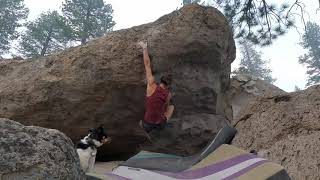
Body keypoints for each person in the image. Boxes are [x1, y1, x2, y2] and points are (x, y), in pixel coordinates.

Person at [138, 41, 174, 133]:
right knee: (171, 107)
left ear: (160, 80)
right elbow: (165, 107)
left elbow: (147, 64)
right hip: (159, 124)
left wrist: (144, 48)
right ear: (168, 85)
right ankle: (158, 129)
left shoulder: (151, 84)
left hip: (147, 124)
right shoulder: (168, 94)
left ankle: (145, 131)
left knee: (141, 122)